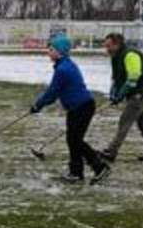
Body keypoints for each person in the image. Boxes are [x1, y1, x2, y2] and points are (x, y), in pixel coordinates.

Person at [30, 35, 112, 185]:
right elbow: (54, 93)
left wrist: (37, 105)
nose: (48, 52)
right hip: (78, 107)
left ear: (60, 52)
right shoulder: (65, 65)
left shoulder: (63, 69)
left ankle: (99, 167)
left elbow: (52, 93)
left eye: (51, 49)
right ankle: (76, 172)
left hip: (81, 107)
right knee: (73, 140)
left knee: (75, 140)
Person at [99, 33, 143, 163]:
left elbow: (133, 77)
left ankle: (111, 151)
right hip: (134, 92)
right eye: (106, 46)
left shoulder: (130, 54)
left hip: (140, 92)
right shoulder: (116, 57)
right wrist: (113, 94)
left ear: (117, 44)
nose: (107, 49)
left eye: (109, 46)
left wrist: (121, 94)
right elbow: (116, 79)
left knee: (125, 120)